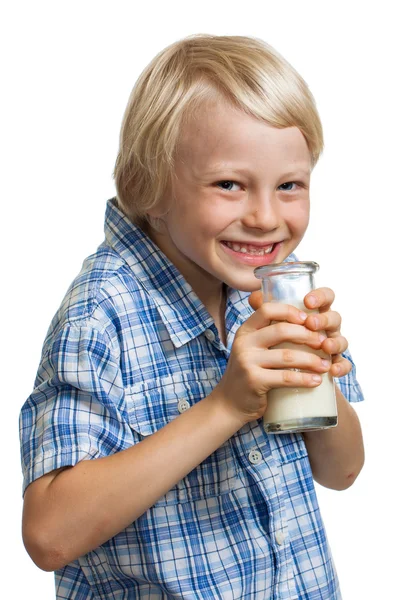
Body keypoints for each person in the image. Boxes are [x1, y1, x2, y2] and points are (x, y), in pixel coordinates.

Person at [20, 34, 365, 599]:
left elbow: (342, 471)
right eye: (229, 184)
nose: (265, 217)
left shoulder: (273, 289)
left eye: (289, 186)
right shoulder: (100, 312)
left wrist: (321, 380)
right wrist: (226, 406)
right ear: (148, 188)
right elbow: (49, 535)